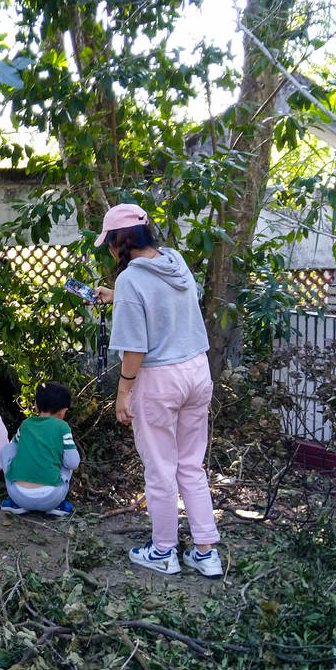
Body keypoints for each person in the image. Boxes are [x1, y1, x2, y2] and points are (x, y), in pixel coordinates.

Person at [93, 203, 222, 578]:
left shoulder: (132, 279)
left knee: (161, 468)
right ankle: (204, 552)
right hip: (197, 370)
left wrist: (123, 393)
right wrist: (117, 296)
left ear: (121, 241)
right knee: (190, 465)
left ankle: (164, 551)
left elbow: (135, 347)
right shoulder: (174, 260)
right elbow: (167, 305)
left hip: (160, 379)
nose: (110, 251)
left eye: (110, 244)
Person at [0, 382, 79, 516]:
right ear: (63, 410)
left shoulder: (26, 425)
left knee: (6, 451)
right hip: (51, 498)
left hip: (18, 495)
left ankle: (15, 503)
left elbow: (10, 450)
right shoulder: (63, 427)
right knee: (69, 461)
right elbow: (73, 463)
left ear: (36, 405)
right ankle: (58, 506)